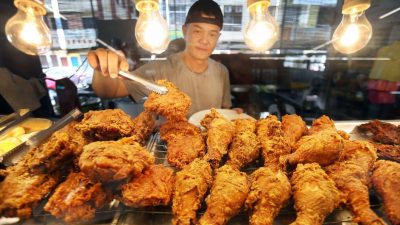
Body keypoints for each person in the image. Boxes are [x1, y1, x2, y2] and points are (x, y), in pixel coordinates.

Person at [88, 0, 242, 116]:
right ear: (184, 31)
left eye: (212, 34)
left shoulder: (222, 71)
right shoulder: (160, 69)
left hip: (211, 154)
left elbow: (224, 110)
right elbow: (110, 91)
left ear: (218, 37)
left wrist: (232, 114)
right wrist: (104, 68)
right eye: (197, 31)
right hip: (169, 151)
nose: (204, 40)